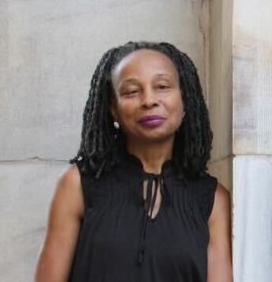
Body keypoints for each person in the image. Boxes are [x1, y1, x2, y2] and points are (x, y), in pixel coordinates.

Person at [35, 41, 232, 282]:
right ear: (113, 109)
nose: (149, 100)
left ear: (185, 100)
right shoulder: (78, 185)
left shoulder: (212, 199)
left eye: (162, 86)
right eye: (131, 91)